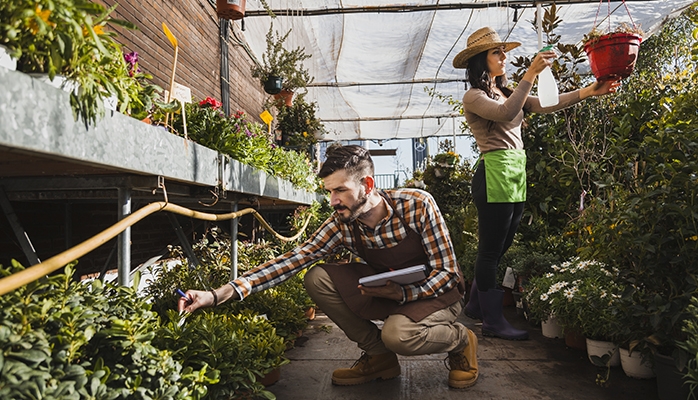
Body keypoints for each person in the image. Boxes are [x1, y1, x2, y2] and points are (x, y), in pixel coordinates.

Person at [178, 143, 479, 389]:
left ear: (368, 185)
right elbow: (292, 260)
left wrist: (403, 295)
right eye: (329, 192)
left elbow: (448, 273)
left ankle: (460, 341)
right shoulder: (341, 223)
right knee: (317, 277)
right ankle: (379, 357)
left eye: (340, 191)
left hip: (437, 295)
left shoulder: (416, 205)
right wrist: (216, 294)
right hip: (390, 291)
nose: (333, 200)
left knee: (397, 334)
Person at [451, 27, 620, 340]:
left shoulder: (505, 91)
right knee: (490, 251)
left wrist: (587, 92)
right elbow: (505, 113)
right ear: (480, 60)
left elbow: (544, 103)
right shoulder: (474, 96)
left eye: (504, 51)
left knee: (500, 247)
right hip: (493, 175)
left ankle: (475, 306)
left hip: (515, 173)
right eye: (497, 53)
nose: (504, 57)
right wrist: (530, 72)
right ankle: (492, 322)